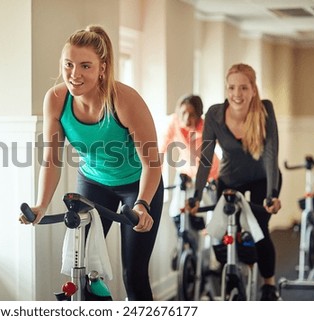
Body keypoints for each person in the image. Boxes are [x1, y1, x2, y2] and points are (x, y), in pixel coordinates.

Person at [19, 25, 164, 301]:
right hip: (94, 182)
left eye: (85, 66)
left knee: (133, 274)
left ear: (102, 68)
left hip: (137, 184)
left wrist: (142, 204)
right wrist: (40, 205)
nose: (75, 74)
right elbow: (51, 159)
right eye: (69, 65)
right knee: (82, 270)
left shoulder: (124, 100)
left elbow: (152, 163)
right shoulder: (56, 99)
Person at [187, 63, 282, 301]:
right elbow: (206, 159)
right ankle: (232, 266)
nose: (237, 94)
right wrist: (196, 197)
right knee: (223, 230)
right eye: (231, 88)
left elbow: (270, 155)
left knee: (259, 228)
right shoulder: (215, 114)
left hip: (262, 178)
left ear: (253, 89)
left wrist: (271, 195)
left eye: (243, 88)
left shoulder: (264, 110)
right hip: (231, 179)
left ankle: (268, 285)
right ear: (226, 89)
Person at [160, 94, 219, 222]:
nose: (187, 118)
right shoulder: (174, 123)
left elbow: (224, 145)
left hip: (210, 174)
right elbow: (162, 149)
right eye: (184, 113)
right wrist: (156, 177)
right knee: (177, 212)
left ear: (199, 114)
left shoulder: (205, 126)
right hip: (185, 172)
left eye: (192, 114)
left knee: (215, 214)